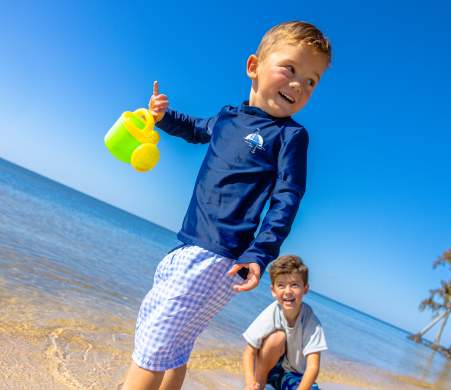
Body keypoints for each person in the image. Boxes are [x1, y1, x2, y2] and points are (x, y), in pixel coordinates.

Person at [121, 21, 332, 390]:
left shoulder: (289, 135)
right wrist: (163, 117)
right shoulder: (228, 117)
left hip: (215, 253)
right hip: (193, 248)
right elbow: (196, 128)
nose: (299, 84)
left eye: (311, 80)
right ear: (254, 67)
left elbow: (287, 197)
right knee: (174, 347)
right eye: (290, 68)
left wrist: (259, 254)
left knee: (152, 345)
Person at [242, 255, 326, 390]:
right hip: (269, 368)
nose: (287, 291)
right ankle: (261, 383)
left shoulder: (310, 320)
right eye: (281, 285)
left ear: (305, 288)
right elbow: (249, 351)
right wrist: (250, 383)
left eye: (294, 285)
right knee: (277, 337)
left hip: (294, 374)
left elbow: (313, 366)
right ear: (273, 291)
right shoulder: (272, 312)